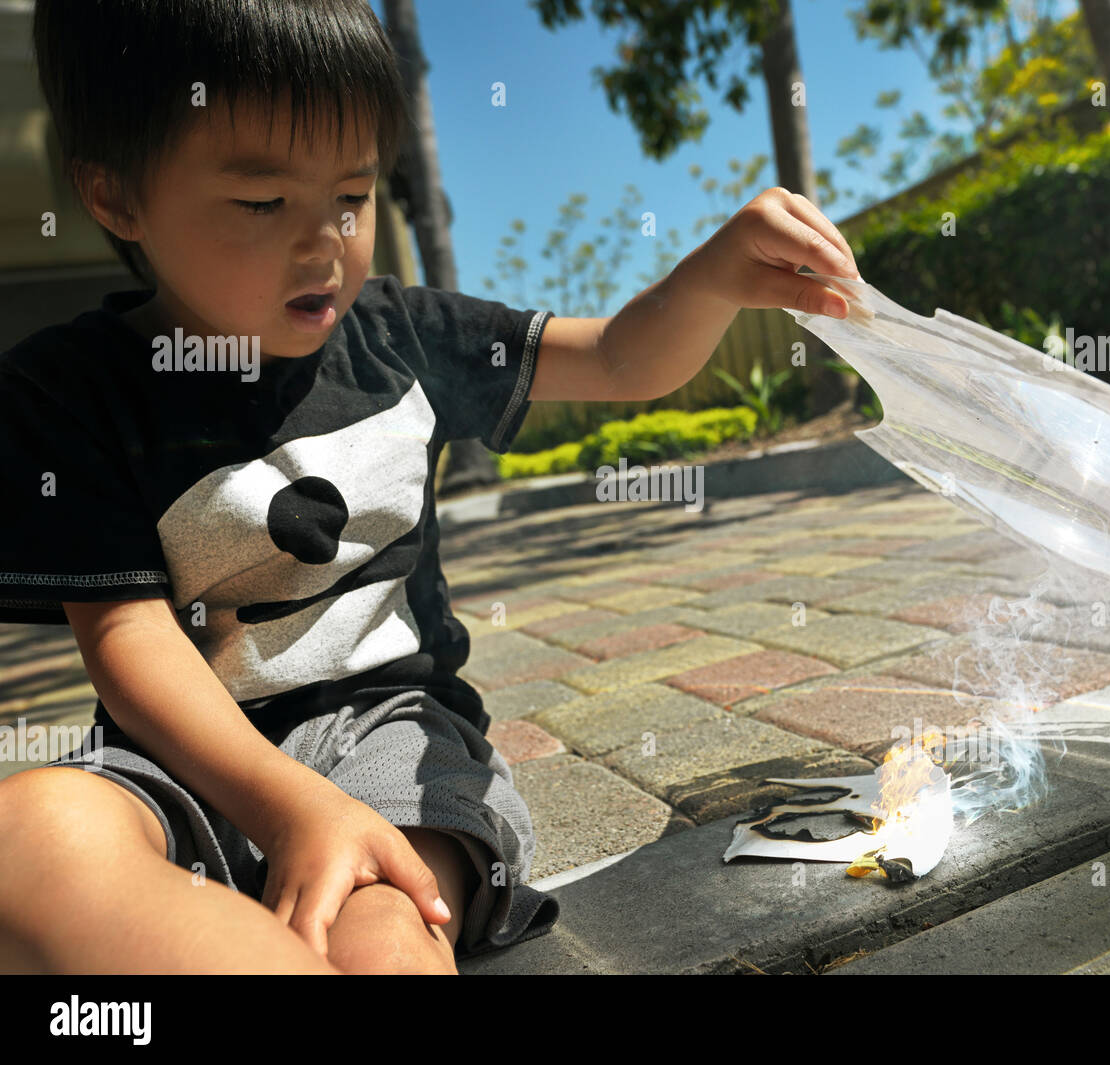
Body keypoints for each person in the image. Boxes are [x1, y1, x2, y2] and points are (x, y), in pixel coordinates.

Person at [0, 0, 861, 976]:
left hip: (390, 744)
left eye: (353, 195)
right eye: (260, 203)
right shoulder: (65, 394)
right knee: (29, 836)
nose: (324, 242)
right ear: (115, 196)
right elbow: (128, 640)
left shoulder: (406, 333)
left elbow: (620, 357)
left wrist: (709, 278)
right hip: (182, 765)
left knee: (379, 920)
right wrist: (286, 810)